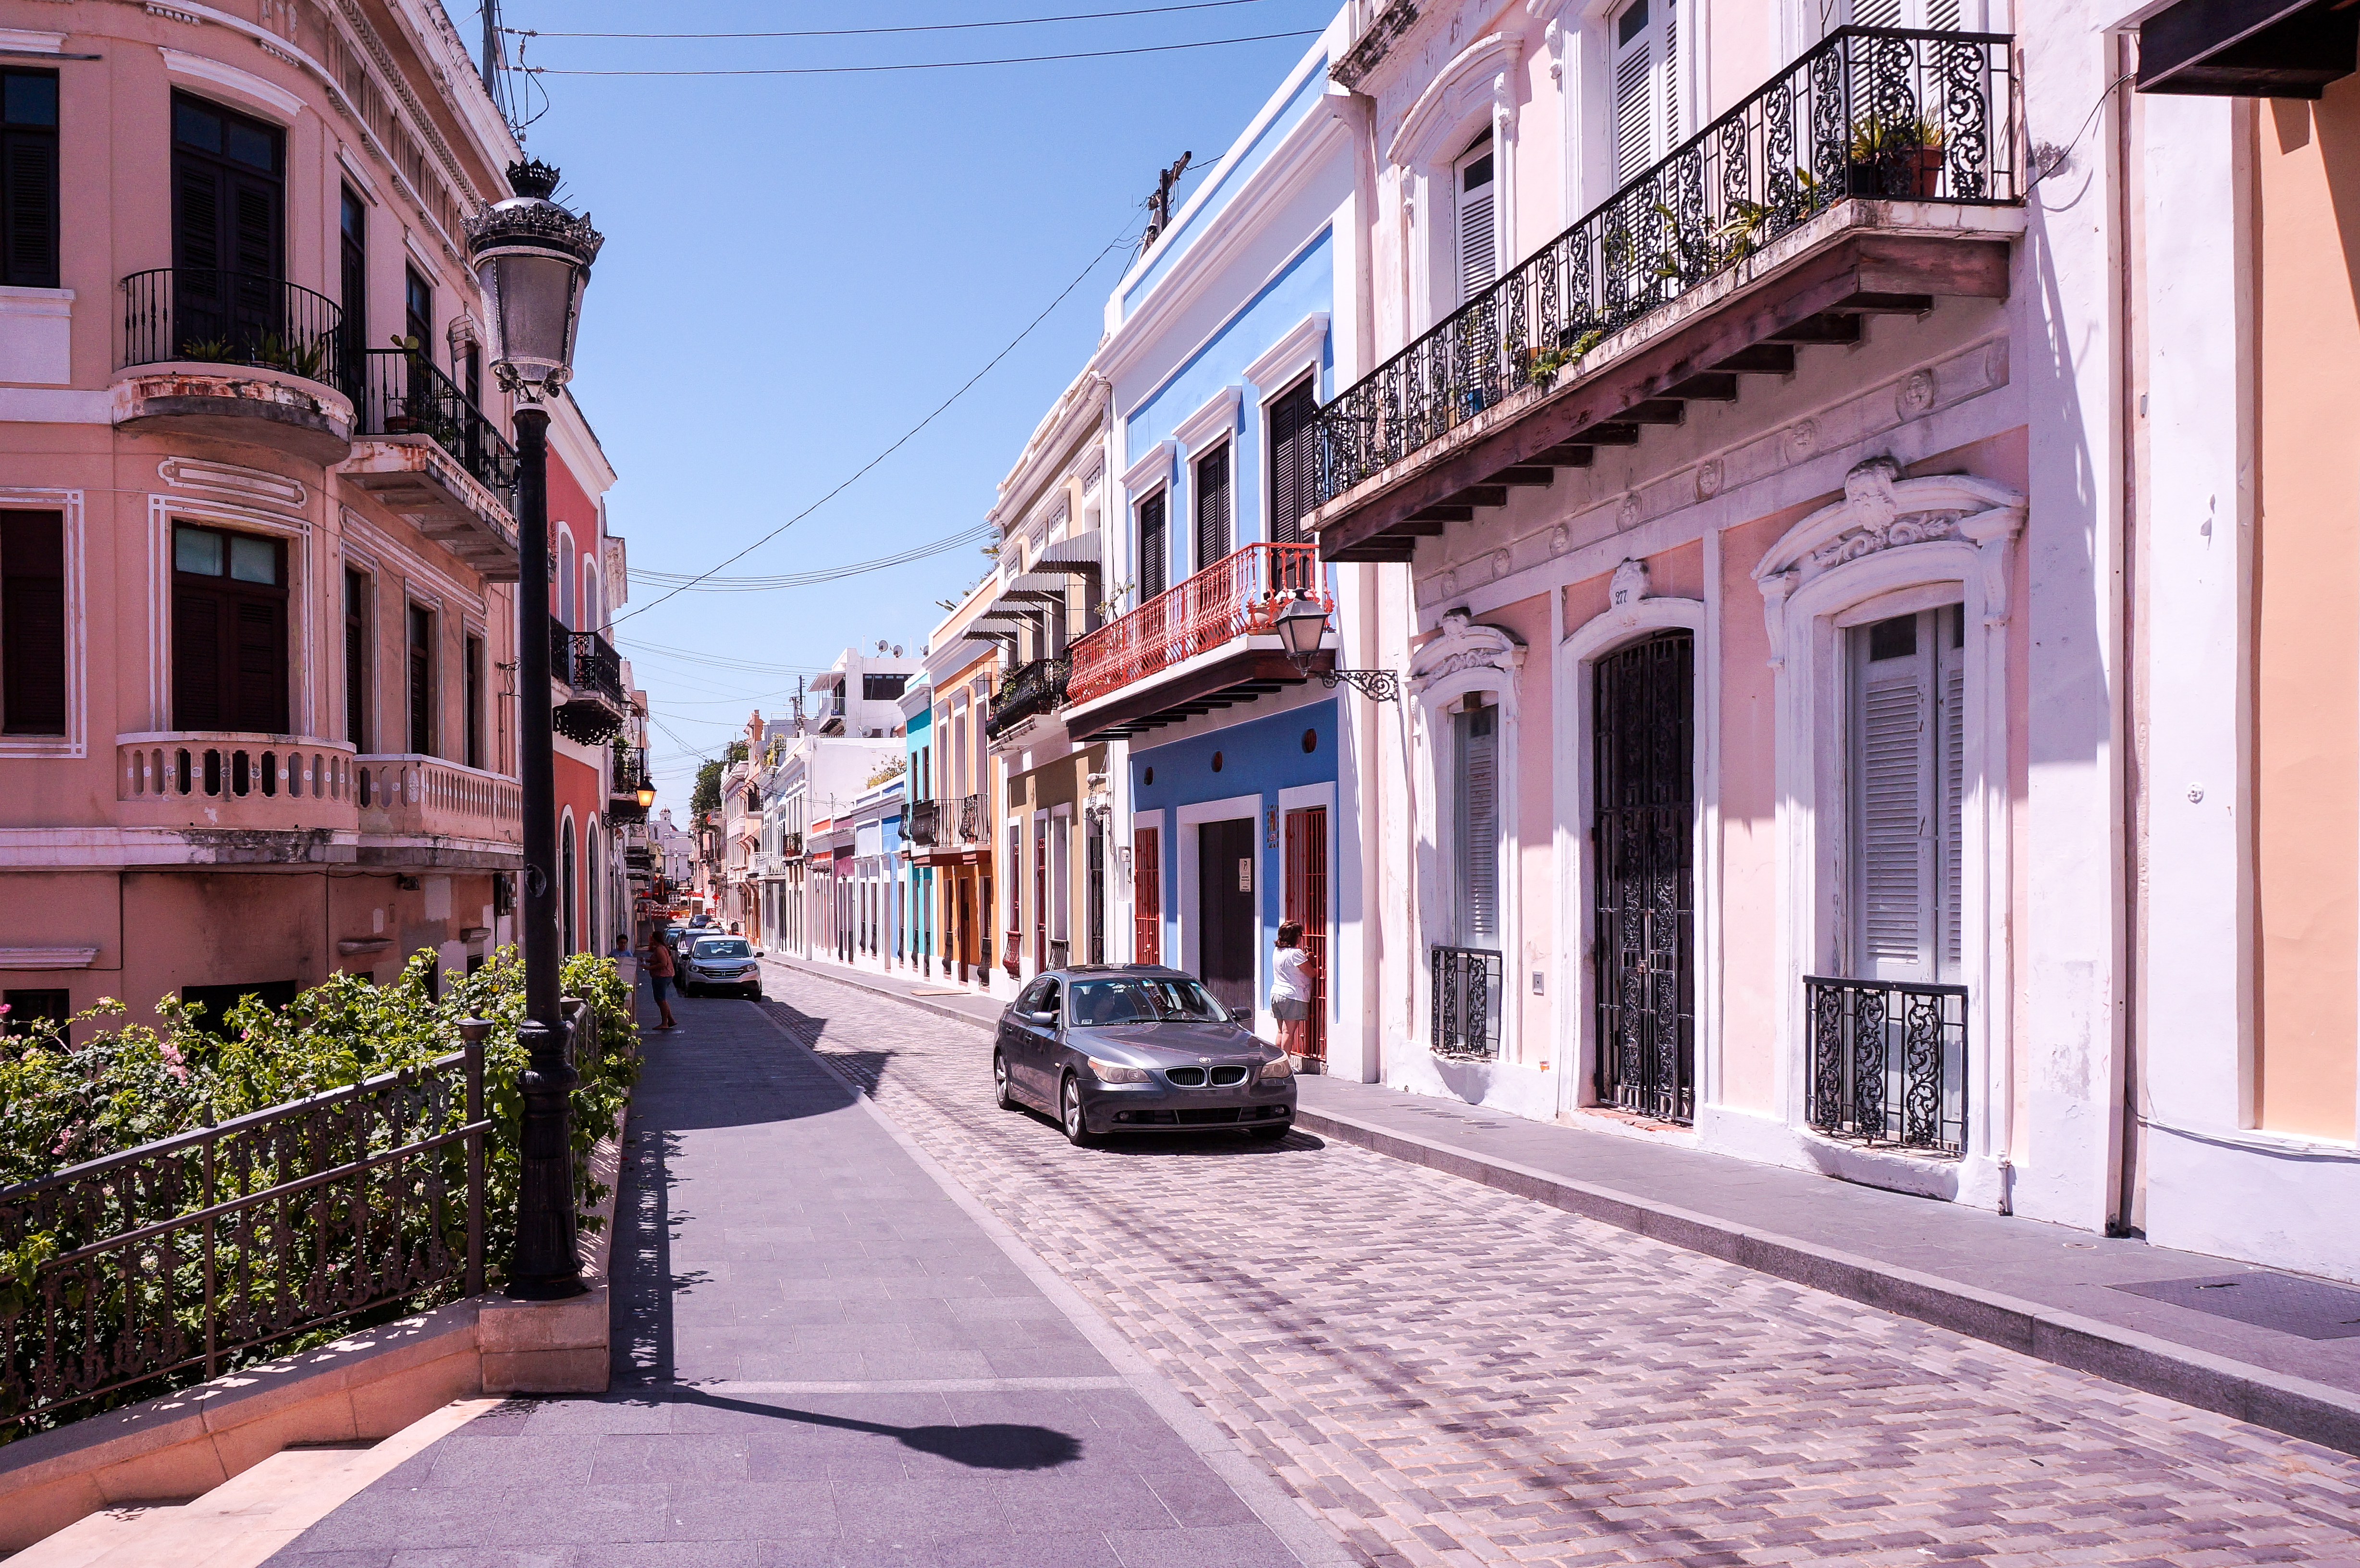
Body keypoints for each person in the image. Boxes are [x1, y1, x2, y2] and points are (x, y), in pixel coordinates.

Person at [1270, 920, 1313, 1060]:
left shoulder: (1277, 951)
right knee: (1289, 1031)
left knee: (1280, 1031)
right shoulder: (1296, 954)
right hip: (1292, 995)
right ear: (1296, 937)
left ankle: (1277, 1062)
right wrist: (1312, 961)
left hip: (1277, 993)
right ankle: (1286, 1063)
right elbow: (1311, 973)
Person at [644, 928, 679, 1030]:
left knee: (661, 1000)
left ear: (655, 939)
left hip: (662, 976)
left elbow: (663, 964)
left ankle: (665, 1023)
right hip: (666, 976)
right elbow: (658, 960)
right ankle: (671, 1020)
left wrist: (649, 968)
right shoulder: (662, 948)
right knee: (661, 999)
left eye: (652, 938)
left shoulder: (660, 949)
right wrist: (647, 960)